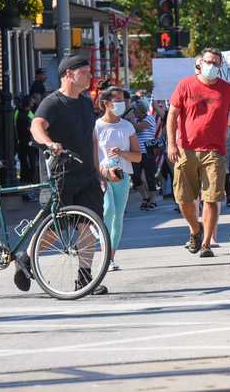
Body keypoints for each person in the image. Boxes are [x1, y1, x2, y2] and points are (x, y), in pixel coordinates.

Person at [24, 54, 108, 295]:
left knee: (89, 225)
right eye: (85, 72)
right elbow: (36, 126)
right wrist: (49, 144)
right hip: (60, 175)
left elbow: (91, 138)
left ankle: (84, 278)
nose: (90, 76)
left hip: (86, 175)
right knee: (53, 231)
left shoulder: (84, 102)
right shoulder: (52, 102)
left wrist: (97, 168)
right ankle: (26, 258)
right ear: (69, 74)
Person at [167, 47, 230, 258]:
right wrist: (171, 144)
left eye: (216, 63)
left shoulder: (227, 89)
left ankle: (207, 243)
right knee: (183, 199)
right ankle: (195, 229)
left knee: (211, 199)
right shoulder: (185, 85)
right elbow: (172, 115)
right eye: (209, 61)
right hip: (185, 149)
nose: (212, 66)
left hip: (214, 151)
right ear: (199, 64)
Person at [95, 87, 141, 271]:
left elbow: (138, 156)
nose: (122, 104)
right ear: (106, 103)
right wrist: (100, 171)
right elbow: (92, 155)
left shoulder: (127, 126)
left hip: (122, 176)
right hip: (103, 175)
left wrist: (122, 153)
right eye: (118, 100)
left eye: (124, 100)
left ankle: (110, 258)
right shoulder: (97, 126)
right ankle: (102, 246)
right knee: (109, 210)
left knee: (118, 217)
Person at [131, 100, 160, 210]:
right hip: (136, 152)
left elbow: (138, 128)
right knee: (136, 177)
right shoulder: (134, 120)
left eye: (135, 110)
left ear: (141, 110)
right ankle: (145, 197)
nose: (134, 112)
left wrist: (129, 120)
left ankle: (153, 200)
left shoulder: (149, 118)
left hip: (148, 151)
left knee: (149, 177)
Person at [16, 96, 38, 186]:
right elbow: (30, 128)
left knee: (27, 163)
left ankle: (28, 181)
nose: (33, 104)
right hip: (26, 142)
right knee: (29, 164)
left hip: (24, 141)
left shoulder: (23, 112)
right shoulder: (24, 114)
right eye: (32, 102)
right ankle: (28, 182)